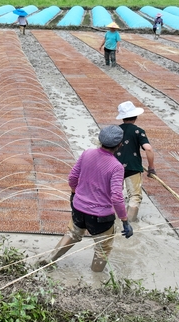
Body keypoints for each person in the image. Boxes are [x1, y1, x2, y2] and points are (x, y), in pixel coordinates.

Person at [41, 125, 133, 272]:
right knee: (102, 248)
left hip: (78, 210)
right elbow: (116, 197)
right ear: (119, 145)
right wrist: (125, 220)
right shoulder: (116, 167)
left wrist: (74, 194)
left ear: (100, 140)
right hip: (101, 218)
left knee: (72, 234)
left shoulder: (87, 153)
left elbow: (72, 177)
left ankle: (48, 260)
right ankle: (96, 281)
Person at [114, 101, 156, 222]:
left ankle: (113, 220)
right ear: (135, 116)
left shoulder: (115, 130)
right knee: (134, 196)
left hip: (115, 167)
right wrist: (151, 167)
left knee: (115, 194)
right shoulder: (138, 131)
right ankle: (129, 223)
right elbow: (148, 148)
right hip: (133, 167)